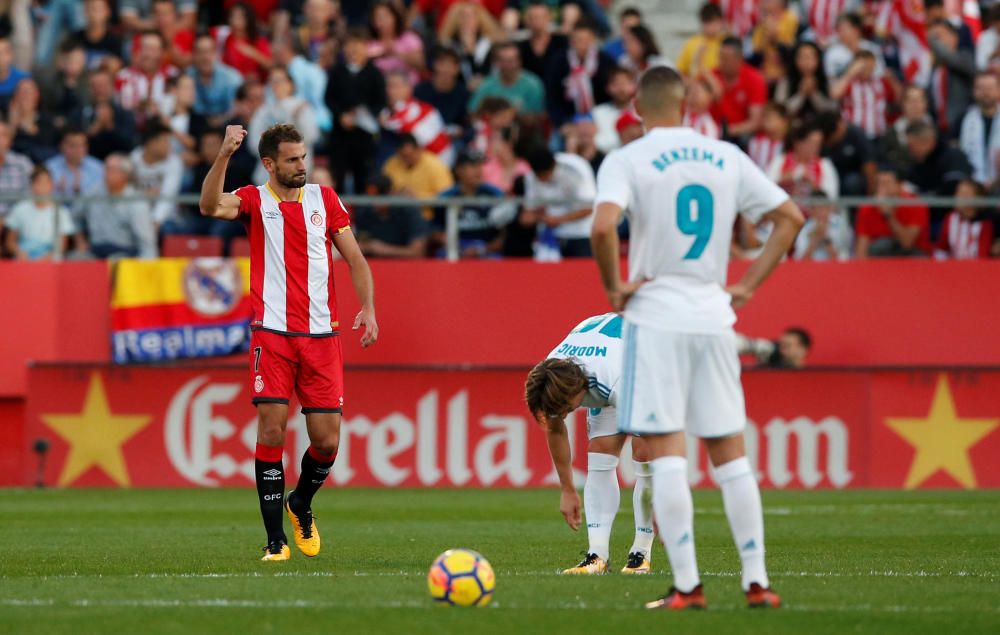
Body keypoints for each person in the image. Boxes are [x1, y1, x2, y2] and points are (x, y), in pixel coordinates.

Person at [591, 65, 802, 610]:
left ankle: (688, 587)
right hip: (714, 315)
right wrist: (748, 286)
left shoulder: (628, 158)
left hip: (655, 318)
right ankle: (757, 582)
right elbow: (790, 217)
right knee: (731, 454)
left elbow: (601, 225)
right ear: (685, 106)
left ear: (637, 106)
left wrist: (615, 287)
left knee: (666, 457)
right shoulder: (726, 156)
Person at [199, 123, 378, 561]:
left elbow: (354, 257)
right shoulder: (254, 200)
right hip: (272, 333)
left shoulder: (325, 199)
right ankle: (275, 540)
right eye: (293, 159)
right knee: (272, 428)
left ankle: (301, 502)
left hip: (321, 336)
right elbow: (208, 206)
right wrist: (223, 154)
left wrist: (368, 307)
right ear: (269, 164)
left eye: (304, 157)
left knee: (327, 442)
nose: (303, 165)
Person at [524, 313, 655, 575]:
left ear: (578, 392)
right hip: (609, 351)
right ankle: (597, 556)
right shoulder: (552, 378)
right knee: (601, 451)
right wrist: (567, 489)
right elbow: (556, 427)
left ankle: (641, 552)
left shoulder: (616, 380)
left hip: (648, 361)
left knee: (645, 453)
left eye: (566, 408)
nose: (563, 414)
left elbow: (660, 439)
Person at [325, 27, 386, 194]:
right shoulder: (337, 72)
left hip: (364, 136)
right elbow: (329, 99)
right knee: (338, 176)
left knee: (363, 177)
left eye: (359, 45)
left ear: (367, 48)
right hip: (340, 135)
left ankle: (361, 216)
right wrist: (341, 116)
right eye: (350, 45)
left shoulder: (374, 74)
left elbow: (380, 102)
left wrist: (363, 116)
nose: (354, 49)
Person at [434, 149, 512, 258]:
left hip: (487, 249)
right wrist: (453, 245)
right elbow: (435, 231)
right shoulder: (445, 197)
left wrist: (482, 250)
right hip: (455, 247)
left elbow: (504, 235)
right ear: (459, 170)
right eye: (473, 166)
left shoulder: (495, 195)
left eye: (480, 165)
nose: (478, 170)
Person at [248, 67, 320, 183]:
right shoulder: (263, 111)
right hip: (267, 175)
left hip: (297, 172)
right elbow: (253, 143)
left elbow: (311, 135)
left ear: (291, 84)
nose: (276, 85)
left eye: (280, 80)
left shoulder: (302, 107)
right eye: (272, 81)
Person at [524, 146, 597, 258]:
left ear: (553, 166)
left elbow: (590, 207)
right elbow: (528, 213)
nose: (543, 180)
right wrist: (538, 218)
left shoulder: (575, 171)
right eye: (539, 176)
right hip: (551, 236)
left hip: (582, 233)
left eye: (545, 175)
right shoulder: (531, 176)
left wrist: (559, 220)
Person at [80, 153, 157, 259]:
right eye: (106, 169)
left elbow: (146, 241)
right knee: (75, 258)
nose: (106, 173)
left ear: (125, 174)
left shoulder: (137, 202)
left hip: (125, 252)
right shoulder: (94, 192)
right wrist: (79, 240)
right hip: (95, 252)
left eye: (112, 170)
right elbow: (75, 216)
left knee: (115, 260)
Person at [546, 18, 618, 127]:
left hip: (601, 117)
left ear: (593, 39)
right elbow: (552, 96)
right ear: (571, 41)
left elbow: (612, 93)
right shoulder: (559, 62)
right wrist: (563, 124)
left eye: (586, 40)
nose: (582, 44)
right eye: (578, 40)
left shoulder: (605, 61)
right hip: (569, 120)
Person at [4, 165, 80, 260]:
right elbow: (10, 241)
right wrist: (19, 252)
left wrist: (49, 257)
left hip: (50, 262)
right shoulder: (20, 209)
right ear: (32, 185)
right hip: (23, 262)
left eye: (45, 183)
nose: (42, 188)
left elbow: (62, 245)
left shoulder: (61, 212)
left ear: (51, 185)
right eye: (38, 183)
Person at [381, 70, 455, 166]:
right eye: (387, 86)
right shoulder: (388, 111)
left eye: (395, 86)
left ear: (408, 88)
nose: (389, 91)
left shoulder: (419, 109)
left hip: (436, 163)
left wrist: (385, 122)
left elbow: (399, 125)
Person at [855, 166, 931, 258]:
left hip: (912, 257)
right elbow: (861, 251)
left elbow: (907, 243)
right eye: (878, 184)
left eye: (886, 183)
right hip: (881, 261)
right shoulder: (867, 208)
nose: (882, 189)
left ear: (899, 185)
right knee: (880, 246)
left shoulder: (915, 204)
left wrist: (889, 216)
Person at [354, 175, 429, 258]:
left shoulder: (408, 210)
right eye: (371, 197)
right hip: (373, 264)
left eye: (379, 196)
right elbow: (360, 244)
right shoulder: (364, 212)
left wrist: (383, 249)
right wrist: (363, 247)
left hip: (405, 266)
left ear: (391, 193)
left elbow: (417, 252)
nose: (374, 202)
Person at [708, 36, 767, 140]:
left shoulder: (754, 78)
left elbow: (755, 121)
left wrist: (728, 131)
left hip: (738, 134)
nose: (722, 62)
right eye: (721, 57)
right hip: (712, 131)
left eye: (727, 58)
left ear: (740, 58)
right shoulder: (712, 75)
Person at [831, 49, 896, 140]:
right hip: (854, 137)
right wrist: (850, 73)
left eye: (871, 66)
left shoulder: (880, 83)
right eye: (863, 66)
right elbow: (834, 94)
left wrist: (892, 80)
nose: (867, 70)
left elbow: (898, 98)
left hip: (878, 136)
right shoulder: (850, 83)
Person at [129, 120, 184, 229]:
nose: (169, 146)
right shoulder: (133, 158)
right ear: (151, 143)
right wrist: (145, 194)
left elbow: (168, 195)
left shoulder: (174, 162)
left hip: (166, 219)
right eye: (166, 142)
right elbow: (127, 192)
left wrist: (155, 221)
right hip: (135, 215)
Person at [468, 42, 546, 117]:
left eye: (511, 61)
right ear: (495, 62)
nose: (508, 65)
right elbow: (472, 112)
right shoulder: (486, 84)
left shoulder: (533, 85)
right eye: (503, 61)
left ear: (519, 61)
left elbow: (540, 115)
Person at [767, 123, 839, 200]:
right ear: (797, 143)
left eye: (818, 144)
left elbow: (832, 197)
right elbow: (766, 190)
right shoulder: (780, 161)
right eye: (811, 143)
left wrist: (813, 185)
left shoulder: (824, 164)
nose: (816, 148)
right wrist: (782, 180)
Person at [927, 18, 975, 134]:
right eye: (936, 38)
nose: (937, 42)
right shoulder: (934, 68)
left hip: (962, 127)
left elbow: (950, 58)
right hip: (940, 129)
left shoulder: (965, 57)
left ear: (955, 38)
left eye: (939, 36)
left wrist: (931, 39)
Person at [771, 41, 837, 121]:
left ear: (818, 60)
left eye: (809, 57)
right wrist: (801, 94)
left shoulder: (828, 79)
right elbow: (779, 113)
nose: (806, 62)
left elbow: (833, 110)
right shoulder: (786, 81)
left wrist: (814, 93)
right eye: (801, 57)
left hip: (823, 127)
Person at [188, 33, 244, 126]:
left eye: (208, 52)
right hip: (198, 126)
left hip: (227, 125)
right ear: (194, 55)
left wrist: (218, 122)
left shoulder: (232, 78)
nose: (204, 57)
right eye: (200, 52)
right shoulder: (188, 76)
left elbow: (236, 108)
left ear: (216, 54)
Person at [877, 84, 932, 175]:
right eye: (911, 101)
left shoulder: (937, 131)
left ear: (925, 104)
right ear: (903, 104)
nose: (915, 105)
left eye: (919, 100)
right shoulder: (891, 135)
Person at [382, 133, 455, 201]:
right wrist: (397, 193)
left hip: (427, 213)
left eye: (409, 155)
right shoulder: (391, 164)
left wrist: (416, 197)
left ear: (419, 150)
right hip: (396, 212)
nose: (406, 159)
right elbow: (383, 192)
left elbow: (445, 197)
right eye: (402, 156)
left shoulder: (435, 165)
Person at [935, 179, 997, 259]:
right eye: (958, 192)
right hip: (953, 267)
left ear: (978, 199)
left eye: (965, 194)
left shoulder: (987, 222)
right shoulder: (950, 218)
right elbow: (941, 248)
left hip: (978, 268)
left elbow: (983, 255)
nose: (958, 197)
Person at [415, 47, 471, 133]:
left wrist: (461, 131)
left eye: (450, 65)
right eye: (442, 64)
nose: (446, 70)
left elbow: (466, 123)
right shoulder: (420, 90)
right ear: (435, 65)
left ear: (457, 69)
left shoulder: (463, 93)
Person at [367, 0, 425, 84]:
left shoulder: (409, 38)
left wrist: (396, 53)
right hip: (378, 89)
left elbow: (420, 64)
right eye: (378, 17)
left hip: (407, 87)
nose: (382, 21)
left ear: (395, 17)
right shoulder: (369, 42)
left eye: (385, 16)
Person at [959, 72, 1000, 188]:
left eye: (990, 88)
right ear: (974, 91)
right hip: (972, 184)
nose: (986, 93)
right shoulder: (964, 119)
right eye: (981, 88)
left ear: (998, 90)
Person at [45, 128, 105, 199]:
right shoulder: (48, 168)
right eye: (72, 145)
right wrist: (59, 191)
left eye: (81, 145)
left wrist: (79, 192)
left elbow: (101, 197)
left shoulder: (99, 168)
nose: (77, 149)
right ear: (61, 146)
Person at [793, 191, 852, 261]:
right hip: (811, 269)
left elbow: (844, 257)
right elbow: (801, 261)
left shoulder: (841, 224)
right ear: (811, 210)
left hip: (835, 268)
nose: (822, 212)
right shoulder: (804, 228)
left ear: (830, 207)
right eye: (818, 208)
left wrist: (826, 238)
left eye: (824, 207)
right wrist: (815, 240)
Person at [517, 0, 569, 81]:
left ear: (549, 17)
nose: (536, 21)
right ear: (526, 20)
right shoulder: (521, 47)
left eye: (540, 17)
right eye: (532, 17)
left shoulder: (562, 42)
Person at [749, 0, 798, 82]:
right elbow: (757, 55)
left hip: (785, 74)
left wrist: (775, 39)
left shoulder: (791, 20)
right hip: (765, 73)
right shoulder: (761, 24)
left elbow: (792, 53)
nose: (763, 3)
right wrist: (766, 38)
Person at [592, 67, 637, 153]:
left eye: (625, 83)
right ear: (608, 88)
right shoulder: (598, 112)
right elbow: (598, 143)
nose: (621, 89)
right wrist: (626, 137)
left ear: (633, 85)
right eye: (616, 84)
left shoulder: (643, 109)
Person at [676, 3, 725, 78]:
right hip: (698, 84)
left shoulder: (727, 42)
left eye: (714, 22)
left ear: (721, 21)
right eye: (707, 23)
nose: (711, 27)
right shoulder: (692, 43)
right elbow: (680, 71)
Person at [72, 0, 123, 71]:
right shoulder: (75, 37)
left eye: (99, 9)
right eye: (92, 8)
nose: (95, 13)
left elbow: (117, 66)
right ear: (85, 11)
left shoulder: (114, 41)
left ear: (108, 12)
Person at [0, 120, 32, 219]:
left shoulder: (23, 164)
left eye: (3, 135)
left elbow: (30, 197)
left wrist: (10, 221)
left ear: (10, 141)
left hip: (16, 223)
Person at [747, 102, 788, 170]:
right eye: (764, 118)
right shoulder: (755, 142)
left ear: (784, 121)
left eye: (770, 118)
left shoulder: (791, 143)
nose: (765, 122)